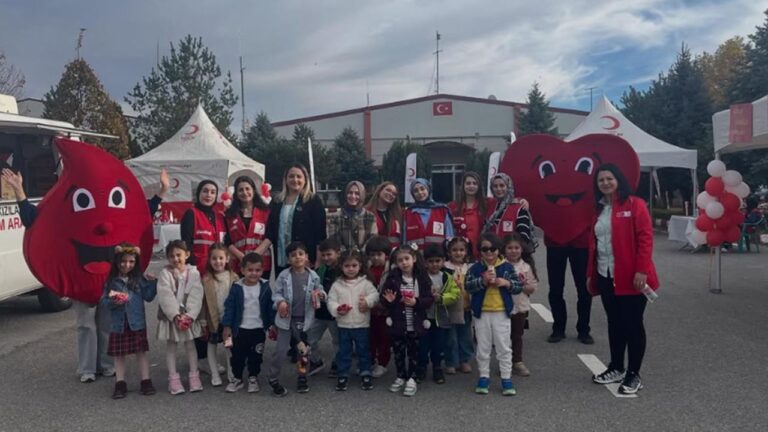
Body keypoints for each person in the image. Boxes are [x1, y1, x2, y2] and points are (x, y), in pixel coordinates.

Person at [1, 167, 169, 384]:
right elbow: (34, 220)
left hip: (112, 280)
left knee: (108, 323)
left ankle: (107, 364)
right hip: (82, 279)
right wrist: (19, 192)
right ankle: (88, 367)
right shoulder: (70, 201)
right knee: (85, 325)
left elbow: (140, 212)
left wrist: (162, 192)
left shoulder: (110, 204)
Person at [588, 164, 659, 395]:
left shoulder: (635, 204)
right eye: (601, 180)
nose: (605, 183)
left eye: (609, 178)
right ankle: (616, 366)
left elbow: (645, 239)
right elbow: (595, 244)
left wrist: (642, 270)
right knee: (614, 323)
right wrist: (591, 274)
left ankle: (633, 373)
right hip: (605, 274)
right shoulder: (599, 210)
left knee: (632, 325)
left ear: (618, 179)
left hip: (632, 277)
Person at [465, 232, 523, 396]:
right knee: (483, 347)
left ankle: (506, 378)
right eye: (485, 249)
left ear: (499, 250)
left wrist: (506, 283)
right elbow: (468, 286)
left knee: (503, 346)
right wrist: (482, 282)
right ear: (480, 251)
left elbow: (518, 286)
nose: (489, 253)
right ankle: (483, 376)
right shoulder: (475, 268)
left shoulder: (507, 267)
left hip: (501, 313)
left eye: (493, 249)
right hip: (481, 313)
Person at [100, 244, 157, 399]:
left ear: (136, 262)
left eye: (131, 261)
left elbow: (149, 297)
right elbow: (104, 302)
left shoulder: (138, 279)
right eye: (123, 261)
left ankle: (145, 381)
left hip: (136, 322)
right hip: (118, 324)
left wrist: (152, 283)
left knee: (141, 352)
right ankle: (120, 383)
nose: (127, 265)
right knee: (119, 355)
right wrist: (113, 302)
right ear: (117, 262)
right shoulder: (111, 281)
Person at [268, 241, 323, 396]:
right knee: (280, 351)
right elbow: (277, 293)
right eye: (293, 255)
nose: (297, 257)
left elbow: (320, 290)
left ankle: (302, 376)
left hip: (305, 321)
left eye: (301, 254)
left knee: (303, 352)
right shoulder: (284, 276)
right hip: (286, 321)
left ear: (306, 257)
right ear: (288, 260)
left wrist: (320, 294)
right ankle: (273, 377)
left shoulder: (313, 276)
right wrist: (281, 302)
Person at [380, 245, 434, 397]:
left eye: (407, 259)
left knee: (414, 353)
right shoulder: (392, 279)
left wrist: (416, 302)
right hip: (398, 323)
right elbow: (384, 299)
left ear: (414, 259)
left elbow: (429, 299)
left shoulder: (422, 278)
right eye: (400, 260)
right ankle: (400, 376)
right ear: (396, 263)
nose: (404, 263)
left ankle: (412, 378)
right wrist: (390, 301)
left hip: (415, 324)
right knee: (398, 352)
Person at [221, 252, 275, 394]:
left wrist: (272, 325)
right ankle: (237, 378)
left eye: (257, 270)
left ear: (262, 271)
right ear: (243, 270)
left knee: (256, 356)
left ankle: (253, 377)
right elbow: (230, 307)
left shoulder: (265, 287)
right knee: (237, 356)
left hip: (257, 330)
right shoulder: (237, 287)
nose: (253, 274)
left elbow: (270, 307)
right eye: (250, 270)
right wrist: (227, 326)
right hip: (239, 330)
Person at [156, 240, 205, 395]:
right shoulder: (165, 274)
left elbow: (196, 295)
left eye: (179, 255)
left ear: (187, 255)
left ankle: (194, 375)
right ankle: (173, 378)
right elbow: (165, 295)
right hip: (172, 317)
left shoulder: (194, 273)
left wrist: (190, 315)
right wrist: (175, 315)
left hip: (188, 316)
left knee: (191, 345)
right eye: (172, 256)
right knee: (171, 346)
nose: (176, 259)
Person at [327, 250, 379, 391]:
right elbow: (330, 301)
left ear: (360, 266)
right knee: (344, 351)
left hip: (362, 324)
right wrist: (338, 309)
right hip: (344, 325)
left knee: (363, 350)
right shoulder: (337, 285)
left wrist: (367, 302)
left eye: (354, 265)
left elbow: (375, 295)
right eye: (347, 266)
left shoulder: (365, 283)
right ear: (341, 267)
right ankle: (343, 374)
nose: (351, 269)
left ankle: (365, 372)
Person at [262, 165, 327, 274]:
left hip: (305, 260)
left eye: (299, 176)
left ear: (305, 179)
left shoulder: (313, 201)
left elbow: (320, 234)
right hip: (282, 259)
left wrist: (318, 260)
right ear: (286, 179)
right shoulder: (277, 201)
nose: (295, 180)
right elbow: (271, 232)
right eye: (291, 176)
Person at [417, 243, 460, 384]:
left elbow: (455, 294)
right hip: (423, 317)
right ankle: (421, 367)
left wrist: (441, 298)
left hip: (440, 318)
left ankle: (437, 368)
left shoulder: (447, 277)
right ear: (425, 263)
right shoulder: (420, 277)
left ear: (443, 261)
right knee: (422, 346)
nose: (434, 264)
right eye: (431, 261)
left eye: (437, 261)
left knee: (439, 346)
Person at [201, 244, 238, 387]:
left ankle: (231, 372)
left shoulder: (233, 277)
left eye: (221, 258)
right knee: (211, 346)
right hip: (213, 320)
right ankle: (214, 373)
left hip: (228, 320)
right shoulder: (206, 279)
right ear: (209, 260)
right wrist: (203, 320)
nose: (218, 261)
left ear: (227, 259)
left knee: (229, 347)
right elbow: (203, 302)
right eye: (214, 258)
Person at [503, 233, 538, 377]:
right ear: (504, 250)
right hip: (503, 307)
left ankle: (517, 361)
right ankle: (504, 363)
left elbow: (533, 287)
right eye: (510, 248)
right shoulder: (500, 265)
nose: (513, 251)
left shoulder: (526, 267)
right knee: (503, 337)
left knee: (517, 335)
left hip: (520, 307)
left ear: (521, 249)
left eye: (516, 247)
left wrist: (519, 285)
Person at [306, 238, 342, 377]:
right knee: (309, 339)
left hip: (335, 314)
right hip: (319, 313)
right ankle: (316, 361)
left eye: (329, 254)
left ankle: (338, 363)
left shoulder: (343, 270)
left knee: (338, 341)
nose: (326, 258)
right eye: (323, 255)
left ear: (338, 253)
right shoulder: (319, 270)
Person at [225, 176, 272, 277]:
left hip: (261, 262)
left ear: (254, 191)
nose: (244, 192)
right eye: (240, 190)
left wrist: (254, 256)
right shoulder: (229, 215)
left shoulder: (265, 212)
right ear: (236, 194)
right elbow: (227, 240)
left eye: (247, 189)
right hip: (240, 264)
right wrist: (242, 257)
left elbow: (270, 235)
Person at [181, 180, 226, 275]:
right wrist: (193, 268)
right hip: (198, 270)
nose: (209, 195)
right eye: (205, 191)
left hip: (219, 269)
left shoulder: (220, 217)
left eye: (213, 192)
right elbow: (186, 245)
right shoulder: (191, 214)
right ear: (198, 193)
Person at [443, 236, 474, 374]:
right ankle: (451, 361)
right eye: (454, 250)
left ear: (466, 251)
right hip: (450, 308)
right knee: (450, 337)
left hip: (466, 307)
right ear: (449, 252)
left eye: (461, 250)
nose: (458, 253)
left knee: (465, 335)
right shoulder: (445, 267)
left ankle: (465, 360)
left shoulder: (470, 268)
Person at [365, 235, 393, 378]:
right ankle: (370, 361)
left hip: (385, 310)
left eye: (379, 254)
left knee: (384, 338)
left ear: (386, 255)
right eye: (372, 255)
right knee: (371, 338)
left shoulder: (391, 271)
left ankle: (382, 363)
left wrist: (385, 303)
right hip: (370, 310)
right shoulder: (366, 270)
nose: (375, 258)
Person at [403, 178, 454, 249]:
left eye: (422, 189)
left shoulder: (442, 210)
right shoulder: (408, 212)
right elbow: (404, 239)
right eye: (416, 191)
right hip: (415, 258)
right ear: (412, 194)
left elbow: (449, 236)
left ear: (428, 189)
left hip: (437, 257)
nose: (420, 192)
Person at [328, 181, 378, 252]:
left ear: (362, 195)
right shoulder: (336, 217)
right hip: (342, 259)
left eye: (357, 193)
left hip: (365, 258)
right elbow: (334, 240)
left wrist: (360, 254)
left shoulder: (370, 216)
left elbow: (372, 239)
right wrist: (347, 255)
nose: (353, 196)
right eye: (350, 193)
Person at [483, 173, 533, 245]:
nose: (498, 189)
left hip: (511, 253)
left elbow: (524, 236)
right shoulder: (490, 205)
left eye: (502, 185)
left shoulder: (519, 207)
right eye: (495, 186)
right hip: (492, 252)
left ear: (508, 187)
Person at [449, 172, 487, 257]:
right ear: (463, 186)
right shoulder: (452, 207)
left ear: (479, 186)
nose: (471, 186)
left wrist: (520, 200)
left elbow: (504, 200)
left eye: (475, 183)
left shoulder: (487, 204)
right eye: (468, 183)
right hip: (460, 254)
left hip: (481, 252)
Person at [365, 181, 402, 249]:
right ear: (379, 191)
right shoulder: (366, 212)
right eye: (388, 190)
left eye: (394, 194)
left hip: (393, 254)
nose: (390, 194)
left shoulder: (397, 215)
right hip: (373, 254)